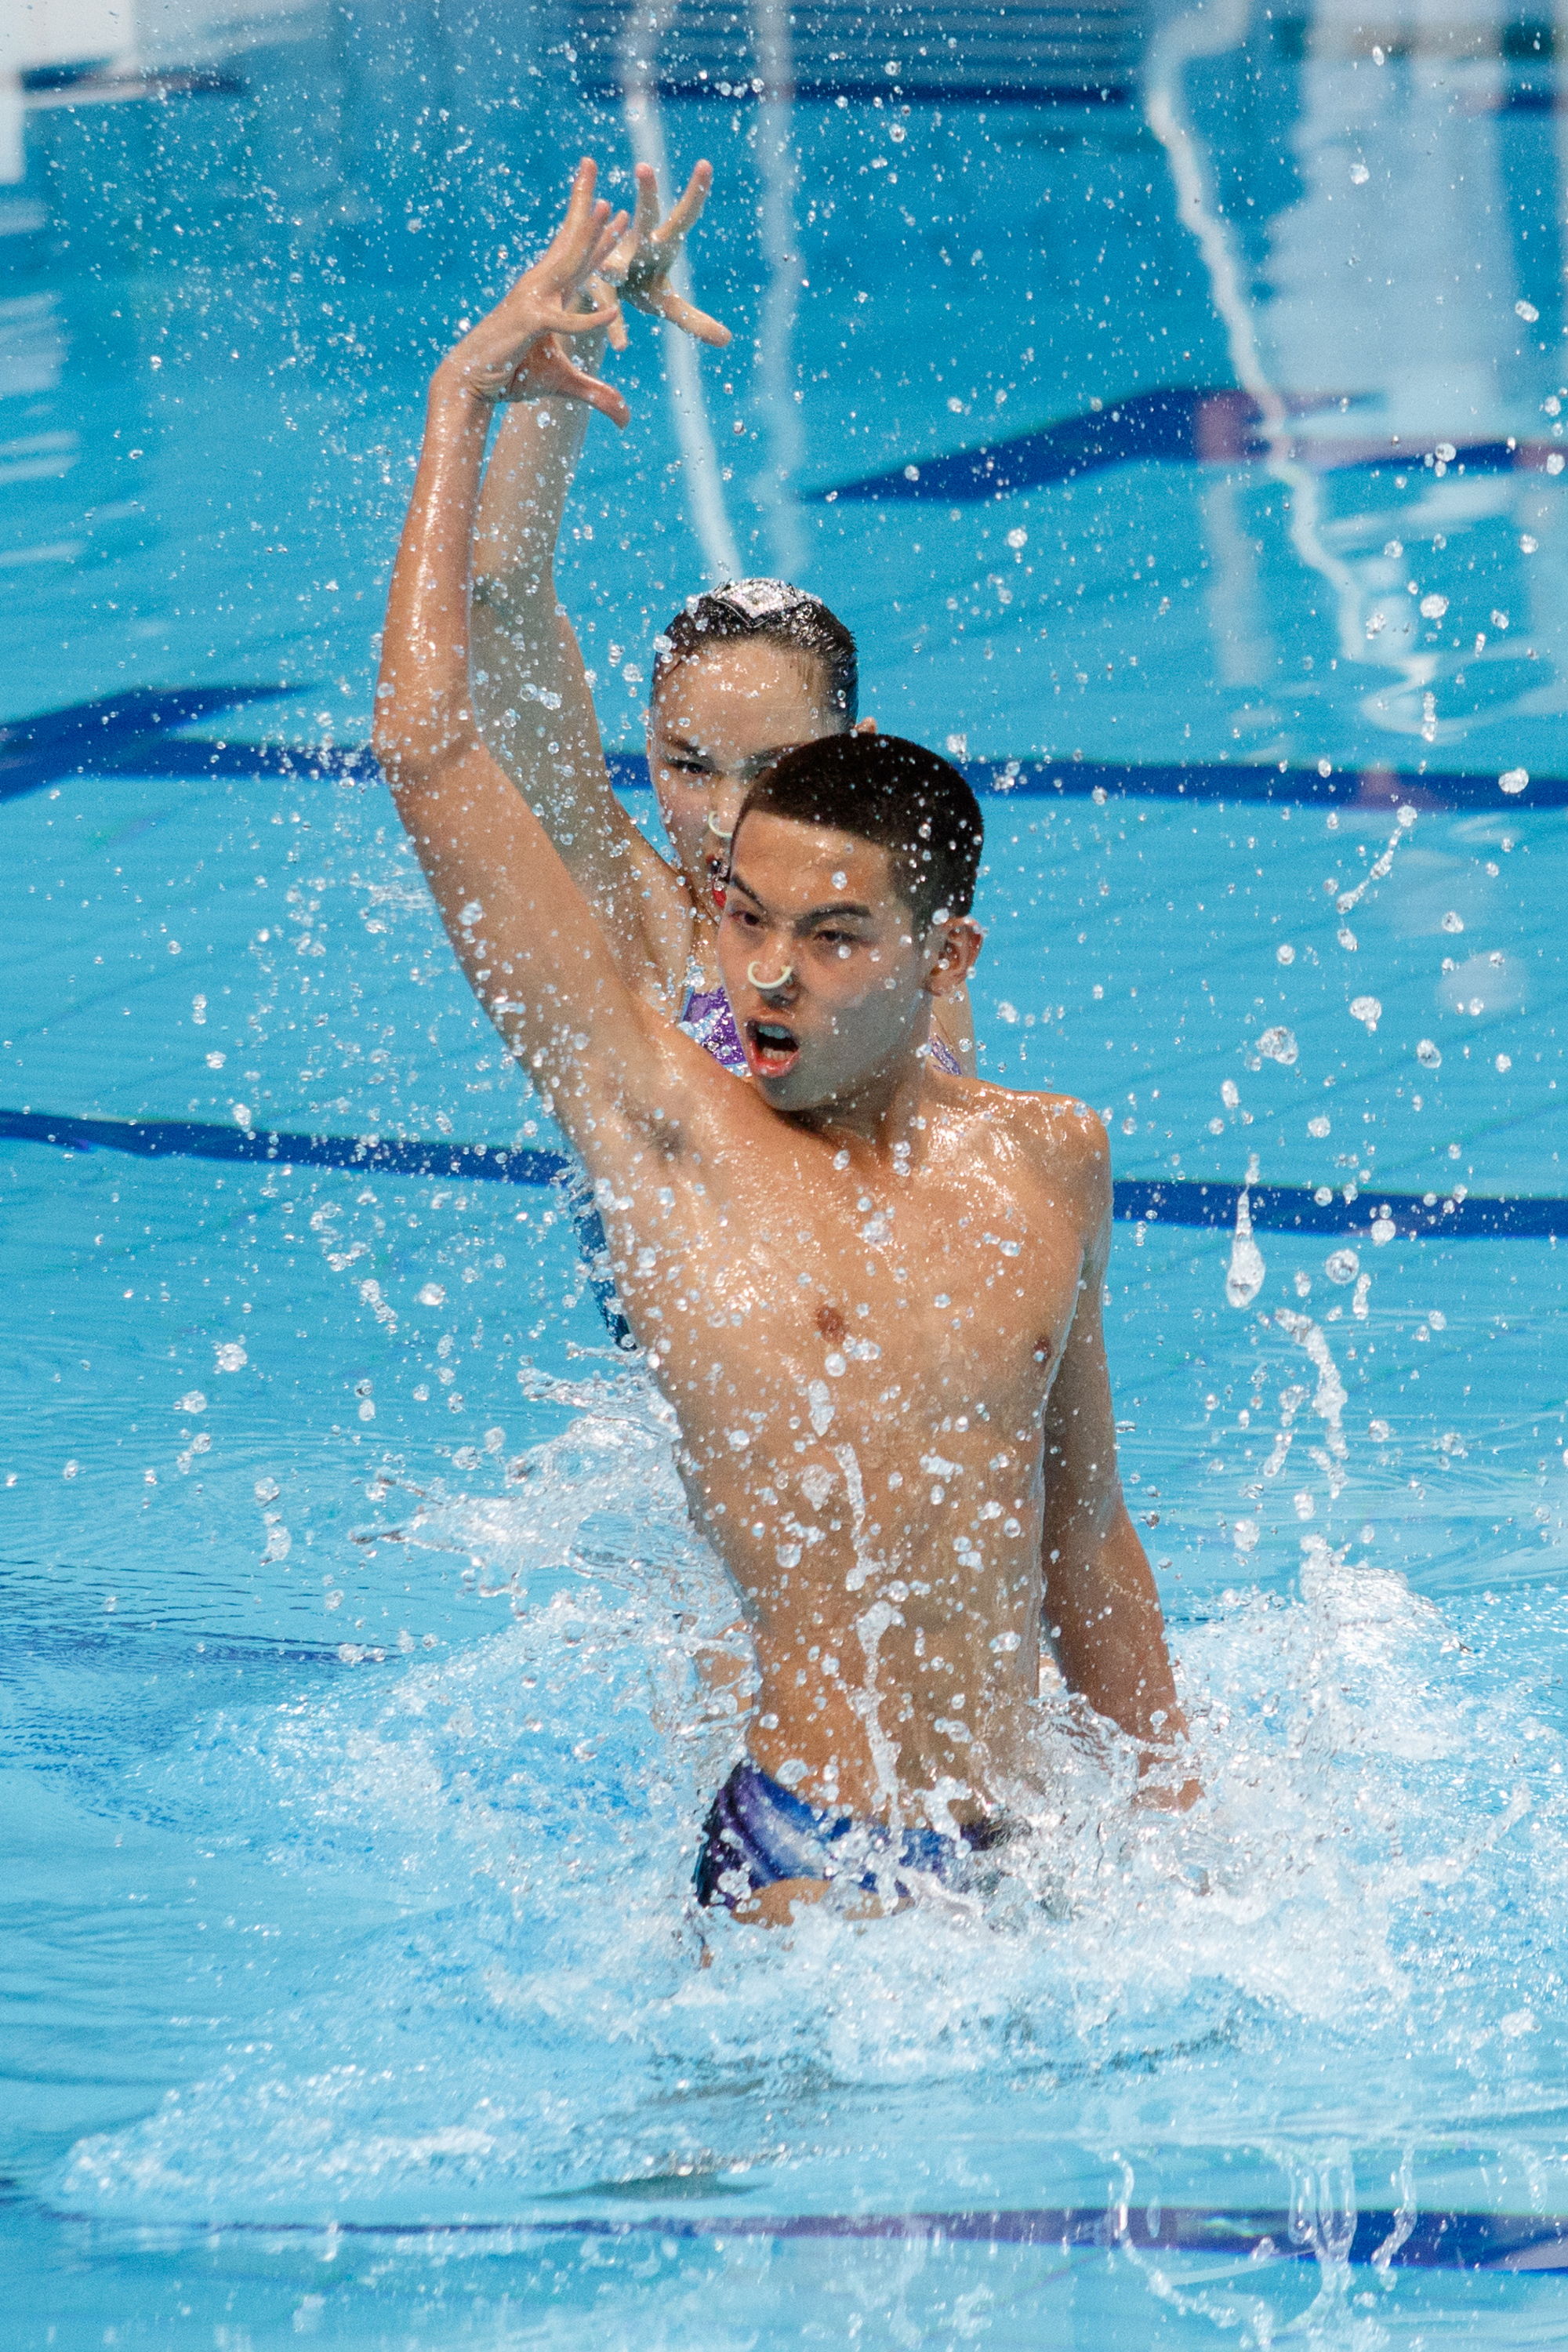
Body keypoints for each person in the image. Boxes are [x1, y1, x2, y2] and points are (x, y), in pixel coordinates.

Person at [374, 162, 1195, 1927]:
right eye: (683, 769)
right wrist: (517, 384)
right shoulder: (638, 996)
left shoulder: (984, 1090)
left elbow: (1066, 1515)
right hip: (717, 1349)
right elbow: (468, 680)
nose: (724, 836)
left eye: (820, 908)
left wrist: (1183, 1824)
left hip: (977, 1763)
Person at [464, 155, 972, 1080]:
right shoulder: (648, 928)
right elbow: (499, 594)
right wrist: (580, 332)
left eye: (775, 769)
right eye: (688, 767)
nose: (727, 817)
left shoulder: (909, 936)